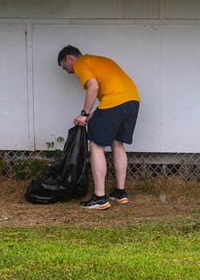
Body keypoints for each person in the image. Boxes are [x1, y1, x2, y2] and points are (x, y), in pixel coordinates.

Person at [57, 45, 140, 210]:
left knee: (96, 145)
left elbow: (94, 87)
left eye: (65, 67)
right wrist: (94, 114)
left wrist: (84, 113)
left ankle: (100, 197)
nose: (68, 72)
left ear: (69, 58)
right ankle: (120, 192)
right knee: (117, 144)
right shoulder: (99, 60)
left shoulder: (81, 63)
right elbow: (111, 92)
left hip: (115, 101)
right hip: (132, 101)